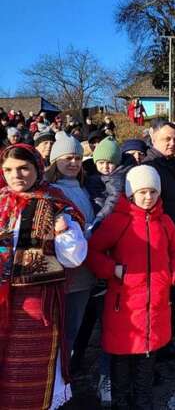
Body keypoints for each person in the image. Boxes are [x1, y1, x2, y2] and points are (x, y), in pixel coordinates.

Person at [86, 165, 175, 408]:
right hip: (125, 305)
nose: (148, 197)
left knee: (147, 358)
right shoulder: (119, 221)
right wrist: (113, 270)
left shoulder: (165, 221)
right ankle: (121, 401)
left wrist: (174, 272)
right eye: (142, 192)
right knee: (122, 358)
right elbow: (93, 251)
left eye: (152, 192)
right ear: (131, 194)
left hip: (156, 302)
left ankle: (143, 401)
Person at [0, 144, 88, 409]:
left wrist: (63, 232)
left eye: (23, 168)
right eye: (8, 170)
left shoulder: (56, 204)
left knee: (30, 366)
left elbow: (75, 258)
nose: (16, 175)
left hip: (38, 302)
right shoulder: (1, 203)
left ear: (38, 168)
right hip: (2, 300)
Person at [143, 119, 175, 359]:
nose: (172, 143)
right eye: (167, 139)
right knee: (162, 297)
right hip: (159, 241)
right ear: (154, 139)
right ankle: (159, 347)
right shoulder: (149, 167)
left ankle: (168, 339)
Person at [46, 132, 98, 355]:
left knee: (74, 329)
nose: (73, 163)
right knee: (62, 331)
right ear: (55, 161)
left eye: (77, 158)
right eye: (67, 158)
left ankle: (69, 376)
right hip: (64, 272)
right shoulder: (50, 190)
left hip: (86, 269)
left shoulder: (86, 188)